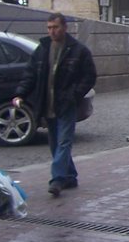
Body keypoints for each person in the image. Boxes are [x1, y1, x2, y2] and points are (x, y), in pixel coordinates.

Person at [12, 13, 97, 198]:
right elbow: (30, 74)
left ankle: (57, 179)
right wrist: (20, 93)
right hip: (47, 102)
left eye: (55, 27)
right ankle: (70, 176)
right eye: (49, 27)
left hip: (66, 103)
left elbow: (89, 76)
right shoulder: (42, 49)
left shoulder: (78, 50)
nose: (52, 31)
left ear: (64, 28)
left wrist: (74, 94)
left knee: (64, 141)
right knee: (54, 143)